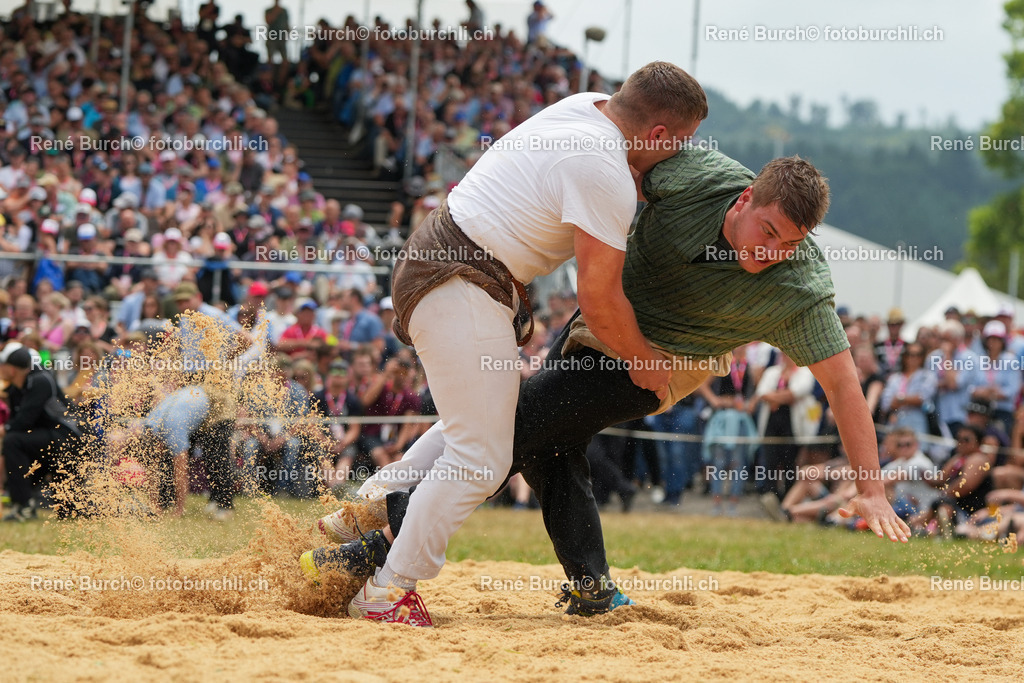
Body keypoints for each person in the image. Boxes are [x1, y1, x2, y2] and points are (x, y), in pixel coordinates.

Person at [310, 151, 910, 622]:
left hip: (656, 367)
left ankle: (373, 533)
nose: (770, 251)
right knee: (544, 442)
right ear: (746, 197)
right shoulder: (695, 175)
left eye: (788, 244)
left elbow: (845, 388)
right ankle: (593, 590)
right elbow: (608, 163)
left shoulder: (800, 290)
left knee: (511, 431)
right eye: (769, 230)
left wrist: (872, 490)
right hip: (596, 324)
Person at [334, 61, 705, 624]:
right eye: (678, 144)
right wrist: (649, 362)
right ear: (657, 134)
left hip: (451, 267)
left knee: (483, 426)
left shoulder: (587, 106)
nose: (677, 157)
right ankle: (388, 591)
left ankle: (358, 515)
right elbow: (601, 302)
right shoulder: (603, 167)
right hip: (461, 281)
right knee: (482, 457)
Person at [1, 344, 82, 521]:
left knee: (13, 441)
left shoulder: (40, 380)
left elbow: (24, 420)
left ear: (12, 369)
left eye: (3, 364)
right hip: (48, 438)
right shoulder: (16, 388)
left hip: (68, 438)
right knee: (14, 444)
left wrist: (4, 429)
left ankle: (24, 507)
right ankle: (24, 504)